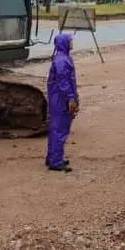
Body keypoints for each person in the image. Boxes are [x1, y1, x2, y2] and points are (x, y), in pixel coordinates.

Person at [45, 33, 79, 173]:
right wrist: (71, 98)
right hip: (60, 98)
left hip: (59, 97)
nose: (72, 43)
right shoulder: (62, 60)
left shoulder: (63, 58)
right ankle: (56, 161)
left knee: (56, 128)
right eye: (70, 41)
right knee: (60, 129)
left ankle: (53, 157)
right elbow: (64, 82)